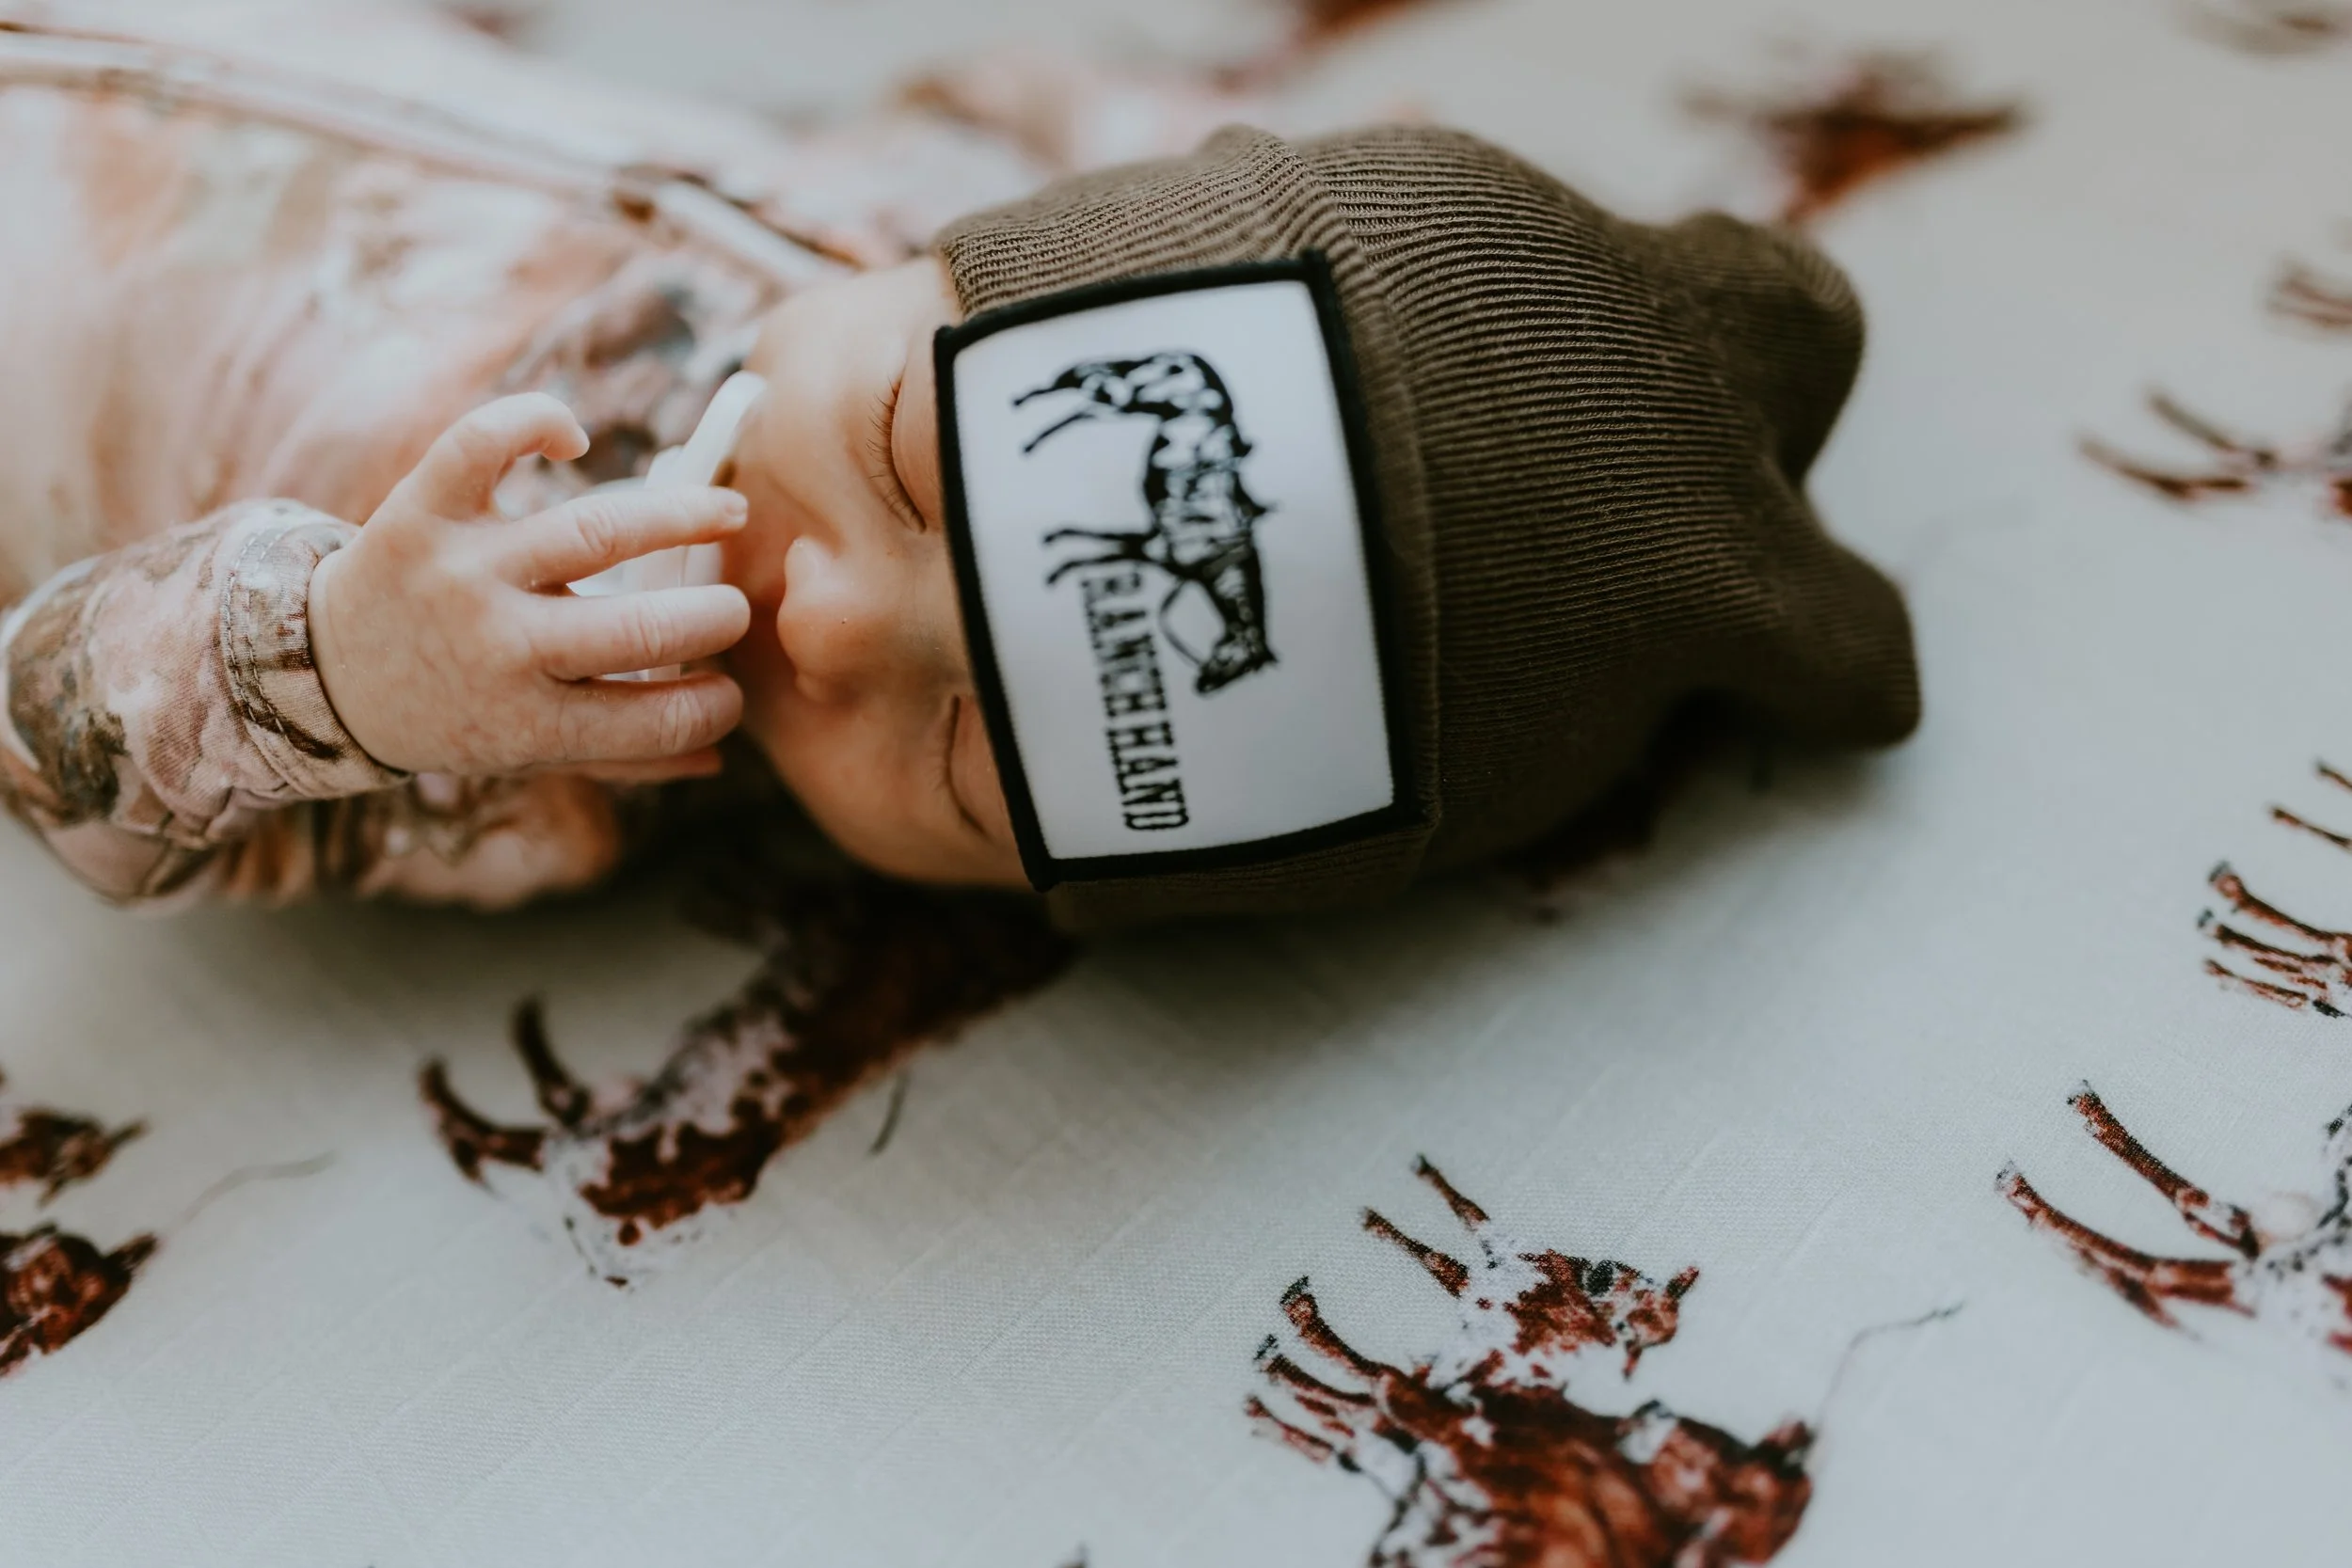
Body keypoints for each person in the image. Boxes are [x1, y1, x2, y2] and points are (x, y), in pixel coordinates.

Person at [0, 4, 1919, 932]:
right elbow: (1025, 111)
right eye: (920, 463)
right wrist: (1253, 147)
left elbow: (48, 755)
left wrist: (339, 662)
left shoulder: (531, 770)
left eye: (962, 746)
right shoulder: (928, 215)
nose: (831, 618)